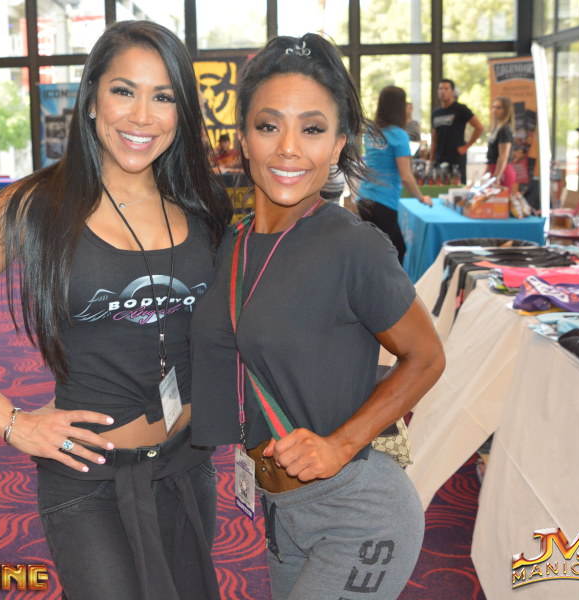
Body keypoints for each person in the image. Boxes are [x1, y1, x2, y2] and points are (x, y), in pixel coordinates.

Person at [0, 20, 231, 600]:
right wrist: (10, 421)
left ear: (181, 111)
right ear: (93, 98)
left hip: (187, 465)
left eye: (163, 96)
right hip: (88, 476)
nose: (142, 116)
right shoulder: (33, 205)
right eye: (124, 91)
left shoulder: (202, 206)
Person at [190, 33, 445, 600]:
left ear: (337, 146)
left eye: (312, 129)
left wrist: (341, 444)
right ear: (242, 139)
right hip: (282, 513)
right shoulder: (230, 244)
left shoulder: (354, 246)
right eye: (268, 126)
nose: (288, 149)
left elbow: (426, 356)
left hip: (359, 513)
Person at [358, 85, 432, 264]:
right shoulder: (399, 135)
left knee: (376, 250)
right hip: (383, 202)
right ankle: (383, 283)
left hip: (364, 198)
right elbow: (406, 176)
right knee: (396, 250)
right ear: (399, 107)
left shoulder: (372, 132)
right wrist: (421, 197)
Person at [430, 78, 484, 182]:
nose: (443, 91)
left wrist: (466, 146)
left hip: (456, 158)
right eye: (440, 89)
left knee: (457, 187)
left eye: (446, 88)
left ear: (453, 92)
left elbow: (479, 127)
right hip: (440, 158)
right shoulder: (435, 113)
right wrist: (431, 159)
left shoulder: (460, 109)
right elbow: (434, 137)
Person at [486, 96, 517, 196]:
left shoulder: (504, 129)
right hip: (494, 169)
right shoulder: (498, 128)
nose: (494, 110)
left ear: (506, 110)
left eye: (498, 107)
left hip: (502, 172)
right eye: (493, 107)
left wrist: (497, 176)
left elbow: (503, 155)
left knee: (501, 202)